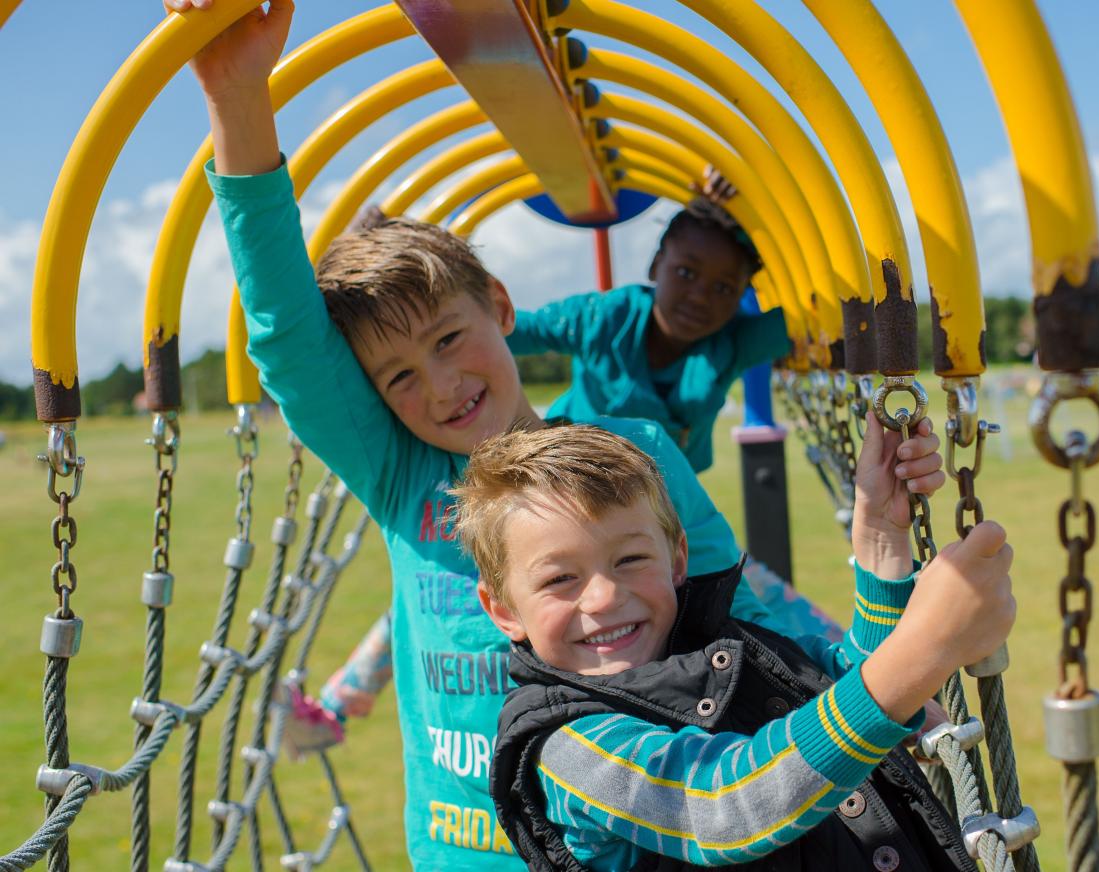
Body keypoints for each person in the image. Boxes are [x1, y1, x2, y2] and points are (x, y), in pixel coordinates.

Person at [169, 0, 857, 865]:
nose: (443, 387)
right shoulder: (397, 470)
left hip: (628, 837)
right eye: (399, 377)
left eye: (450, 339)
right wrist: (238, 102)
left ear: (500, 308)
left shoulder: (636, 452)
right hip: (465, 851)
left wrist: (873, 679)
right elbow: (285, 338)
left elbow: (743, 611)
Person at [452, 420, 1014, 870]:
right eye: (559, 579)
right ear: (503, 609)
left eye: (630, 560)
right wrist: (924, 652)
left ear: (677, 560)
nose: (602, 597)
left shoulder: (729, 649)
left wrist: (881, 542)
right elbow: (722, 806)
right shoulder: (569, 745)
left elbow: (849, 685)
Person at [509, 192, 783, 475]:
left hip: (664, 492)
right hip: (575, 474)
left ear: (742, 294)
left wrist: (754, 206)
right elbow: (512, 329)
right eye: (686, 273)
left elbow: (813, 317)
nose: (700, 297)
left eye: (724, 288)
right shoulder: (603, 318)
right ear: (655, 265)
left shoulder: (733, 341)